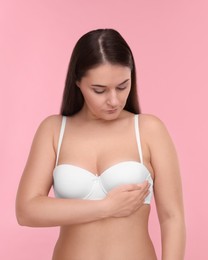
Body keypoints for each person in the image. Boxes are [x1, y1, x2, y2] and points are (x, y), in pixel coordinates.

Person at [15, 28, 185, 260]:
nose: (114, 100)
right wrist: (106, 207)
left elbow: (172, 217)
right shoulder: (54, 130)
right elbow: (26, 211)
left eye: (123, 86)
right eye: (99, 90)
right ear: (77, 81)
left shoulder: (148, 130)